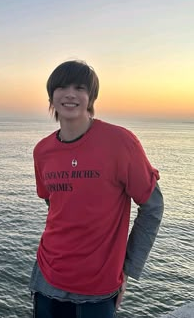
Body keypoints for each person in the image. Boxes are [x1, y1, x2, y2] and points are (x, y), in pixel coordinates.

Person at [29, 60, 164, 318]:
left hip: (99, 286)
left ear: (91, 97)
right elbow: (54, 203)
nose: (70, 94)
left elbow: (153, 205)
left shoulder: (120, 142)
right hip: (47, 277)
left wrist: (127, 267)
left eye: (79, 87)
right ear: (51, 96)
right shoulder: (42, 151)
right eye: (61, 87)